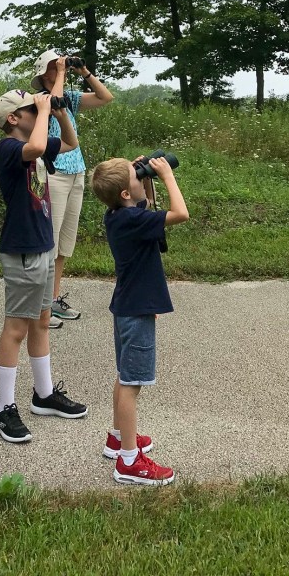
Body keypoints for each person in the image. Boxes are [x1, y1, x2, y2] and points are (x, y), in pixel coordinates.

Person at [0, 67, 87, 444]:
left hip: (42, 245)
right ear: (14, 119)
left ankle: (43, 394)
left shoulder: (38, 138)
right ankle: (3, 408)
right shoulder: (9, 148)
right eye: (32, 109)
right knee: (16, 327)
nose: (37, 110)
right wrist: (46, 109)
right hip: (23, 250)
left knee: (42, 322)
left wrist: (59, 112)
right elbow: (34, 148)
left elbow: (70, 145)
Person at [89, 155, 189, 485]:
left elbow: (142, 205)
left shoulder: (119, 215)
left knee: (124, 376)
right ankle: (129, 462)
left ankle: (118, 439)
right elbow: (180, 214)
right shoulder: (131, 219)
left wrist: (141, 179)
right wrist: (166, 175)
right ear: (124, 194)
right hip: (135, 313)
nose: (140, 176)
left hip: (127, 306)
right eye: (136, 176)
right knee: (133, 384)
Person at [31, 50, 114, 324]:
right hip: (54, 174)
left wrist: (84, 72)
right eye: (55, 67)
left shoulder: (70, 99)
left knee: (65, 243)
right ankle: (41, 304)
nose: (61, 70)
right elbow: (53, 101)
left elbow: (105, 97)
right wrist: (63, 71)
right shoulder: (39, 101)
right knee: (50, 242)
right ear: (44, 73)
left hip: (76, 173)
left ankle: (52, 301)